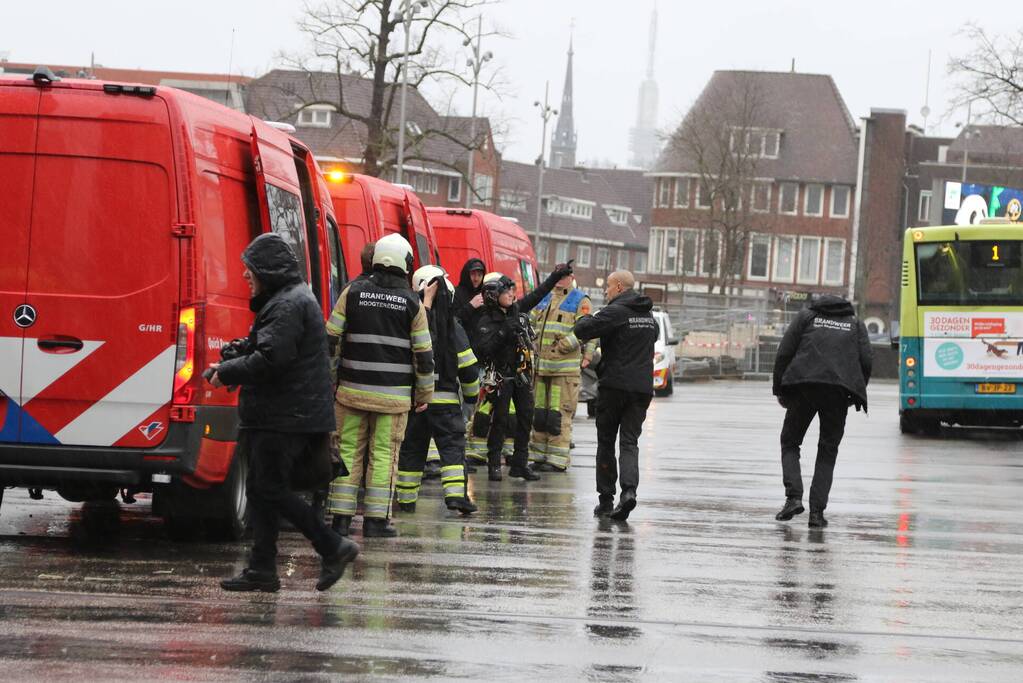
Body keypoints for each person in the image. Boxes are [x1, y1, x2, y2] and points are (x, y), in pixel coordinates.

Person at [212, 233, 359, 593]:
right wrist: (237, 353)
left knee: (271, 489)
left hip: (284, 416)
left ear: (268, 271)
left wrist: (228, 372)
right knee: (264, 492)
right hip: (283, 413)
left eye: (250, 271)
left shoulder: (288, 304)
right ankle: (262, 568)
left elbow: (272, 358)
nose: (246, 277)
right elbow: (267, 345)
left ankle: (332, 546)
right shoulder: (286, 300)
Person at [325, 233, 434, 538]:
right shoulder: (413, 304)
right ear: (405, 263)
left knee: (347, 452)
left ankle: (341, 520)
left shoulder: (352, 292)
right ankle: (376, 522)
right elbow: (424, 356)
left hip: (350, 394)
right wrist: (423, 394)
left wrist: (331, 381)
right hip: (393, 399)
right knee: (384, 456)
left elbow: (331, 340)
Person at [772, 294, 872, 528]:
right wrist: (854, 390)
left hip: (804, 386)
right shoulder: (855, 324)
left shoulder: (806, 317)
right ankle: (817, 514)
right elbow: (866, 361)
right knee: (828, 450)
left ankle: (793, 498)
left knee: (790, 442)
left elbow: (785, 352)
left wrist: (780, 389)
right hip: (837, 392)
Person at [473, 263, 573, 481]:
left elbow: (537, 294)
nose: (511, 294)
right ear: (493, 295)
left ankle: (520, 463)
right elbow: (483, 351)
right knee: (499, 421)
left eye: (511, 290)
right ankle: (494, 465)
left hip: (520, 376)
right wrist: (504, 332)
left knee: (526, 418)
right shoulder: (485, 320)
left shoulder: (517, 310)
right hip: (500, 378)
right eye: (506, 291)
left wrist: (555, 276)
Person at [395, 265, 480, 515]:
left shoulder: (410, 321)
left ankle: (407, 499)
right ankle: (455, 497)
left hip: (416, 403)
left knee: (411, 450)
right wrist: (472, 397)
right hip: (446, 404)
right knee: (452, 449)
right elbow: (468, 367)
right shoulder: (452, 327)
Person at [574, 270, 658, 521]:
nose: (606, 292)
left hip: (614, 388)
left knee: (607, 441)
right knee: (630, 442)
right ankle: (629, 492)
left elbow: (583, 329)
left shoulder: (616, 311)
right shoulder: (648, 316)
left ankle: (606, 500)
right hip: (641, 389)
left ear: (619, 287)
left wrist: (586, 313)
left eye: (608, 287)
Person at [528, 275, 592, 471]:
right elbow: (530, 323)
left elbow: (587, 328)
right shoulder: (544, 297)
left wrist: (565, 346)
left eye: (564, 276)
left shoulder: (580, 300)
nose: (559, 280)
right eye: (557, 276)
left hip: (563, 371)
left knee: (558, 415)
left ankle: (557, 460)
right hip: (541, 368)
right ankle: (539, 456)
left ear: (571, 278)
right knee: (539, 414)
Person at [453, 257, 487, 333]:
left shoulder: (485, 292)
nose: (476, 278)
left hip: (483, 341)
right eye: (473, 274)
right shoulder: (456, 292)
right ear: (466, 275)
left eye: (479, 275)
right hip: (465, 340)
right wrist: (471, 306)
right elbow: (453, 320)